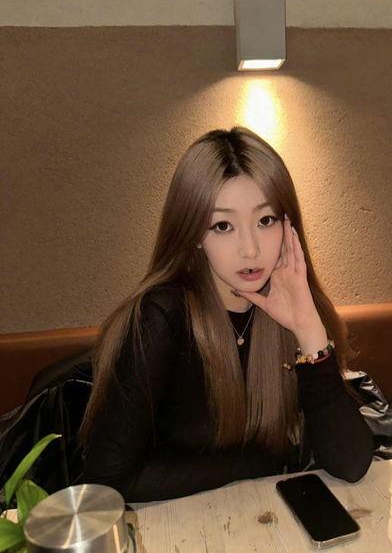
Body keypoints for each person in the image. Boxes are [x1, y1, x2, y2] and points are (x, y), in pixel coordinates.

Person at [79, 127, 373, 502]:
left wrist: (308, 329)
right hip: (176, 529)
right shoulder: (160, 318)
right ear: (194, 234)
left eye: (265, 221)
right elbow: (106, 482)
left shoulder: (293, 305)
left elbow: (351, 463)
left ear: (288, 226)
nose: (249, 249)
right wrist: (253, 464)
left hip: (259, 521)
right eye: (222, 226)